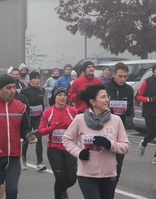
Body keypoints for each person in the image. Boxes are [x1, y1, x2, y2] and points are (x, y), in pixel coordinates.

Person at [62, 84, 130, 199]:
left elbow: (126, 146)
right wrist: (79, 152)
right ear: (92, 102)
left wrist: (109, 144)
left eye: (107, 96)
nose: (107, 100)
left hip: (109, 175)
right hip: (87, 175)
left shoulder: (116, 120)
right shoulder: (80, 119)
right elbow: (66, 139)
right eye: (103, 97)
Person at [38, 86, 78, 199]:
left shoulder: (73, 111)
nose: (62, 97)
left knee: (72, 179)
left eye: (64, 95)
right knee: (60, 177)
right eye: (60, 95)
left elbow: (80, 128)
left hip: (70, 148)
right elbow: (41, 131)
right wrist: (52, 127)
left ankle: (62, 190)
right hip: (54, 148)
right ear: (55, 97)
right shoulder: (48, 112)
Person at [103, 62, 133, 197]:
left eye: (125, 77)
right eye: (120, 76)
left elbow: (131, 112)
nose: (123, 79)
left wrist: (127, 111)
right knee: (105, 163)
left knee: (118, 165)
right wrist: (108, 109)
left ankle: (111, 193)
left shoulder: (129, 89)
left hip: (120, 132)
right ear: (113, 75)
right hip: (105, 129)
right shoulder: (104, 88)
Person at [20, 71, 47, 171]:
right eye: (35, 79)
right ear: (30, 80)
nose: (37, 80)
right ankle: (23, 159)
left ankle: (40, 163)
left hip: (37, 118)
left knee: (38, 139)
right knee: (28, 138)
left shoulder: (41, 90)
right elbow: (21, 103)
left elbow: (42, 104)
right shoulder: (25, 91)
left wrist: (44, 115)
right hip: (28, 118)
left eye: (38, 78)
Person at [136, 63, 156, 164]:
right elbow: (138, 96)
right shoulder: (146, 82)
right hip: (149, 112)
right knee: (152, 133)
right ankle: (144, 143)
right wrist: (148, 99)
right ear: (153, 71)